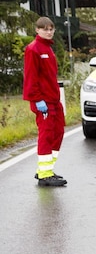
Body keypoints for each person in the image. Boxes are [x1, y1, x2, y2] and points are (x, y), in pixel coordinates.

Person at [23, 16, 67, 187]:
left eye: (51, 29)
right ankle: (44, 175)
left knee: (58, 133)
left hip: (53, 100)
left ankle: (47, 169)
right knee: (46, 134)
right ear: (37, 30)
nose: (48, 32)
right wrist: (37, 99)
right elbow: (30, 77)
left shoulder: (48, 48)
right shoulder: (33, 49)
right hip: (43, 100)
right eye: (45, 29)